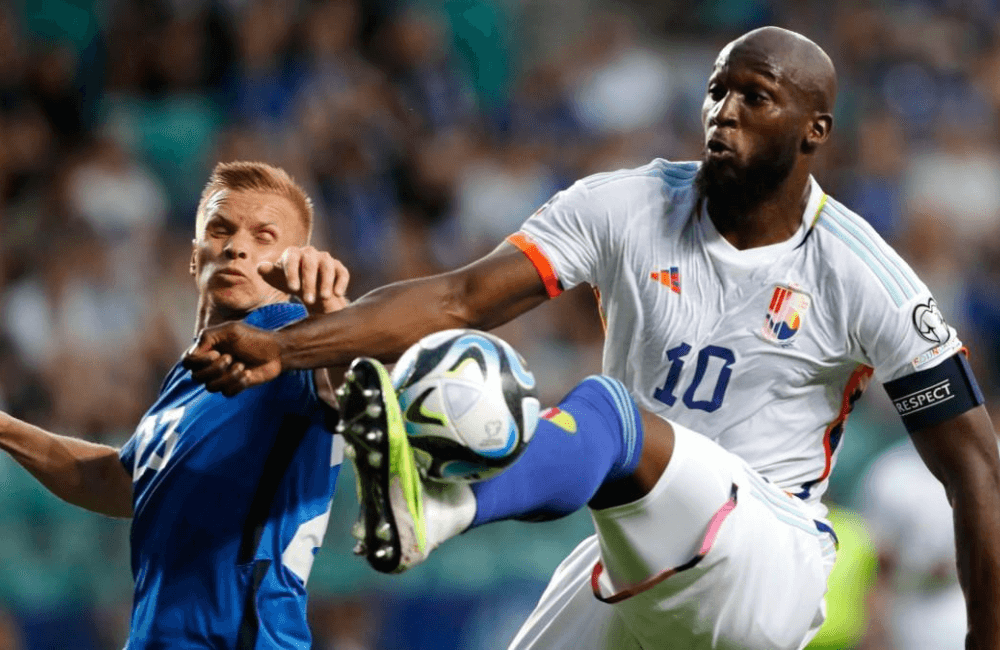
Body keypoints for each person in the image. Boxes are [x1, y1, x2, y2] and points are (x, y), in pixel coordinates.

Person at [184, 28, 1000, 650]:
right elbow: (459, 297)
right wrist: (286, 349)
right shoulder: (625, 206)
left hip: (765, 559)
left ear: (814, 130)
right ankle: (438, 501)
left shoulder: (864, 272)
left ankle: (440, 505)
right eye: (718, 92)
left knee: (608, 414)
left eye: (757, 98)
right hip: (634, 553)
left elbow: (977, 475)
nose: (725, 113)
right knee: (613, 437)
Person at [0, 161, 352, 647]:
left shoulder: (294, 341)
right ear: (194, 256)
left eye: (264, 236)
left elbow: (349, 380)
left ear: (295, 262)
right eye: (219, 229)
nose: (236, 247)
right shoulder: (189, 376)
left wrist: (332, 316)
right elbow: (113, 482)